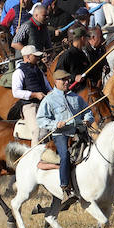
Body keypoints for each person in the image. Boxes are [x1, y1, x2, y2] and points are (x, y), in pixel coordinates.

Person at [35, 68, 93, 204]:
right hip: (61, 135)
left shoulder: (76, 97)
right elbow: (41, 119)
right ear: (56, 81)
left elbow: (88, 112)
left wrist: (88, 119)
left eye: (68, 79)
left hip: (79, 132)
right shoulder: (49, 100)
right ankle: (66, 188)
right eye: (63, 80)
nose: (67, 82)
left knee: (101, 150)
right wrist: (56, 124)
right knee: (65, 156)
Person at [11, 44, 50, 136]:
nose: (38, 58)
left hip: (45, 104)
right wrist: (35, 95)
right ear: (27, 57)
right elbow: (16, 92)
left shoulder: (39, 71)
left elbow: (47, 86)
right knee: (38, 131)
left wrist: (50, 92)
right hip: (30, 106)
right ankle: (35, 149)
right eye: (35, 56)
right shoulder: (18, 72)